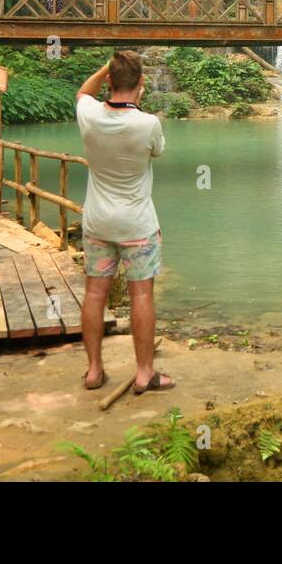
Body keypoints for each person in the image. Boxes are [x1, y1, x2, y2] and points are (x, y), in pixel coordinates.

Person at [75, 51, 172, 396]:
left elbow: (83, 93)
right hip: (136, 225)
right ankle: (145, 373)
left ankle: (93, 370)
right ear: (141, 85)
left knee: (94, 292)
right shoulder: (147, 124)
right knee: (141, 294)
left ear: (111, 82)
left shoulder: (88, 115)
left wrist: (106, 68)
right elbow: (157, 152)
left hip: (98, 222)